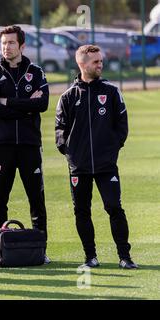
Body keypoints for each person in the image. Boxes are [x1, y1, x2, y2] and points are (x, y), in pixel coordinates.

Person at [55, 45, 137, 269]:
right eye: (95, 62)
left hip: (106, 165)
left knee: (114, 208)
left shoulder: (111, 92)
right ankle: (90, 257)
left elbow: (122, 125)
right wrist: (69, 152)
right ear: (82, 64)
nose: (100, 65)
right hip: (78, 167)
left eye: (101, 61)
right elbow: (60, 129)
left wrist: (111, 149)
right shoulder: (68, 97)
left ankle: (124, 257)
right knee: (82, 211)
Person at [0, 25, 50, 263]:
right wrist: (24, 106)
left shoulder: (37, 72)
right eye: (3, 43)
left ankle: (41, 250)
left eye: (11, 43)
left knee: (36, 199)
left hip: (30, 145)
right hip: (2, 145)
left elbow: (42, 105)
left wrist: (8, 102)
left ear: (22, 45)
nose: (6, 47)